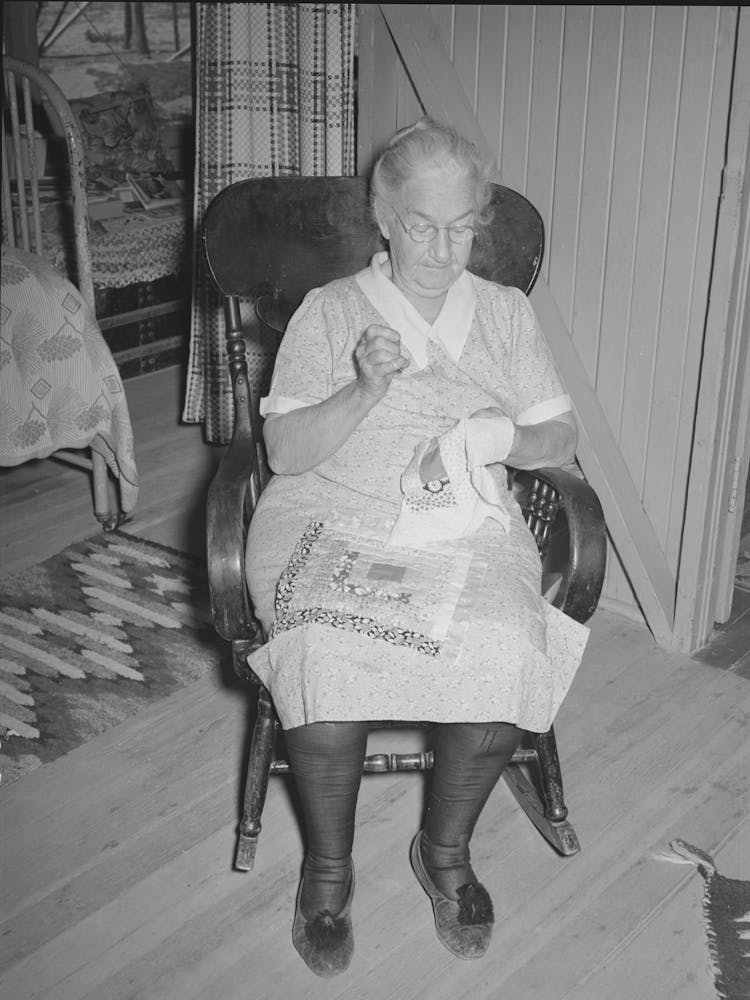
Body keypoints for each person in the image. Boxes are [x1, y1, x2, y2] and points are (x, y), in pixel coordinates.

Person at [244, 118, 590, 977]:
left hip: (463, 521)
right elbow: (285, 454)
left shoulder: (504, 314)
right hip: (328, 511)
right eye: (422, 224)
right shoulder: (330, 312)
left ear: (480, 220)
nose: (442, 247)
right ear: (385, 217)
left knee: (505, 643)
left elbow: (560, 433)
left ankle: (443, 852)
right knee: (323, 646)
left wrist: (493, 435)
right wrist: (362, 389)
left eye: (462, 224)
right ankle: (327, 873)